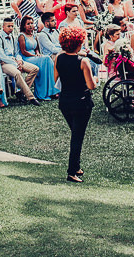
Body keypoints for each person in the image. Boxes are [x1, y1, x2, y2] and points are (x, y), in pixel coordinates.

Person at [54, 26, 95, 183]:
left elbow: (55, 77)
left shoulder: (58, 57)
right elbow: (91, 86)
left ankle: (76, 166)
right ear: (78, 43)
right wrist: (95, 81)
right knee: (77, 137)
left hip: (65, 101)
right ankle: (72, 172)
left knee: (76, 134)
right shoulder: (83, 61)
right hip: (81, 103)